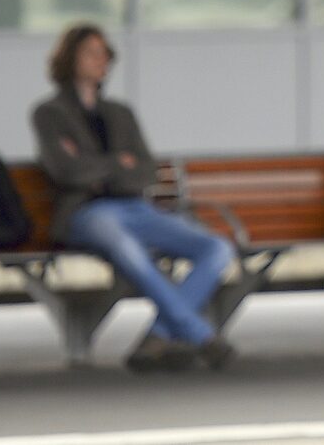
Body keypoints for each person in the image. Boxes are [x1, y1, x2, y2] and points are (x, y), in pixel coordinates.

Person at [31, 24, 237, 372]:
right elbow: (67, 172)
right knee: (128, 249)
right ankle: (199, 334)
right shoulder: (50, 114)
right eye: (91, 52)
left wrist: (98, 169)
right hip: (87, 213)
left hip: (136, 207)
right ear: (70, 59)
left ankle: (156, 336)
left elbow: (145, 172)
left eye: (105, 53)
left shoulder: (120, 113)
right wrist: (116, 164)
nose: (101, 60)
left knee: (217, 249)